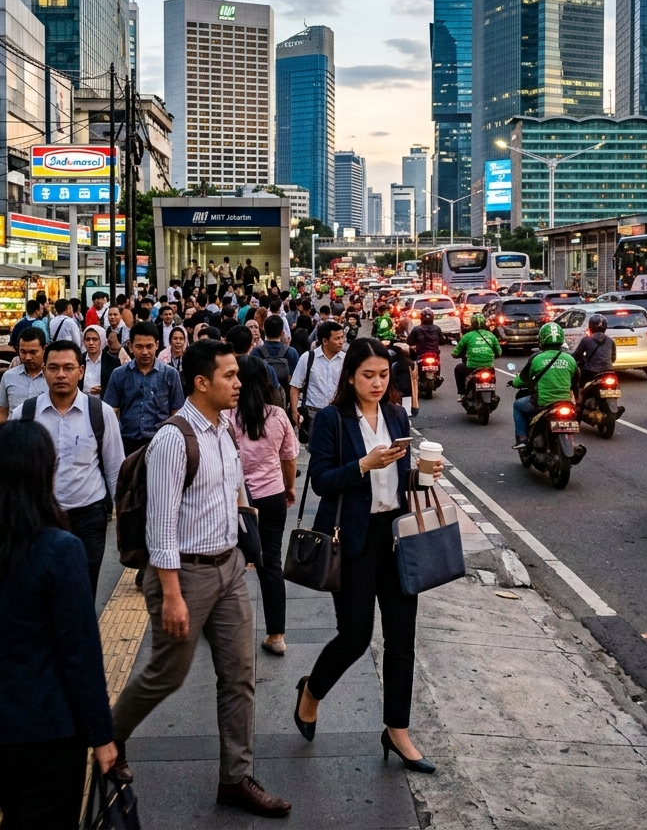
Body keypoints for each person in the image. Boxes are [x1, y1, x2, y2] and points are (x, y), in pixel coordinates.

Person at [110, 341, 292, 818]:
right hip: (184, 574)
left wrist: (242, 530)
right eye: (230, 376)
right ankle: (109, 736)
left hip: (228, 567)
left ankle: (235, 778)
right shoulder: (175, 438)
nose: (239, 383)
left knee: (239, 677)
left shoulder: (223, 427)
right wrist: (170, 593)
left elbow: (231, 490)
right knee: (165, 674)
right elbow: (161, 524)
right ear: (201, 382)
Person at [0, 420, 117, 828]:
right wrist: (101, 734)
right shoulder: (59, 549)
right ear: (44, 472)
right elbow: (80, 654)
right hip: (48, 725)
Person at [294, 338, 441, 774]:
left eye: (383, 375)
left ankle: (397, 731)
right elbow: (320, 481)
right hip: (352, 540)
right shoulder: (331, 421)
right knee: (355, 637)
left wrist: (422, 474)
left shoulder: (397, 414)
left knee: (401, 640)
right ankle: (311, 692)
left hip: (396, 537)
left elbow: (400, 480)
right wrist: (363, 465)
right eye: (368, 375)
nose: (377, 383)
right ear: (351, 377)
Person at [11, 341, 125, 596]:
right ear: (44, 370)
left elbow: (116, 467)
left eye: (68, 368)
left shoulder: (100, 413)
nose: (61, 374)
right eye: (53, 368)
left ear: (81, 371)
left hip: (88, 518)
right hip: (38, 519)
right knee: (38, 591)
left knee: (83, 591)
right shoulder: (25, 414)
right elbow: (10, 473)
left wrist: (122, 517)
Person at [231, 355, 298, 655]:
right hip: (272, 497)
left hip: (237, 502)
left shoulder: (227, 417)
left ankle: (226, 631)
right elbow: (289, 457)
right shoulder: (278, 415)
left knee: (228, 564)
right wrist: (290, 487)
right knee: (270, 564)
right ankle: (277, 635)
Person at [104, 320, 185, 457]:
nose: (145, 352)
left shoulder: (170, 374)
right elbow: (110, 412)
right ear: (130, 346)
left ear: (157, 345)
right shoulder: (119, 374)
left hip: (161, 443)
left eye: (149, 346)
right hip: (127, 443)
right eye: (139, 347)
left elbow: (176, 412)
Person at [509, 322, 578, 449]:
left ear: (541, 340)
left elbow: (522, 379)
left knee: (518, 406)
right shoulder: (570, 359)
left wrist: (514, 383)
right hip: (565, 403)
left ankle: (522, 438)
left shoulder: (536, 358)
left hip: (541, 403)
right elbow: (575, 384)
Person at [289, 320, 346, 442]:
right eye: (337, 339)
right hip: (313, 414)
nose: (341, 342)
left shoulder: (345, 360)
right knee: (315, 450)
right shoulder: (308, 358)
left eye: (342, 337)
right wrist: (295, 411)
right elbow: (295, 386)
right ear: (325, 341)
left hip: (339, 413)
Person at [0, 327, 47, 422]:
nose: (27, 357)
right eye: (23, 352)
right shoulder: (9, 376)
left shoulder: (52, 378)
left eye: (33, 352)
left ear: (44, 349)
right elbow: (2, 411)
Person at [452, 313, 502, 401]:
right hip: (488, 367)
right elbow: (499, 352)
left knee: (458, 368)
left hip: (472, 367)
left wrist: (457, 355)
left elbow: (455, 353)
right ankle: (493, 394)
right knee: (493, 377)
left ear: (472, 323)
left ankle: (462, 393)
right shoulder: (491, 336)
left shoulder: (467, 336)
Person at [572, 313, 617, 385]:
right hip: (608, 371)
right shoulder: (610, 340)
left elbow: (576, 356)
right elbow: (613, 358)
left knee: (578, 384)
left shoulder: (586, 340)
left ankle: (579, 395)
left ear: (590, 326)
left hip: (591, 372)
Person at [83, 324, 121, 398]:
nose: (91, 343)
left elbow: (118, 385)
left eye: (95, 339)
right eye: (87, 339)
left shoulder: (112, 361)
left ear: (102, 340)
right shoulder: (79, 360)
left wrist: (104, 389)